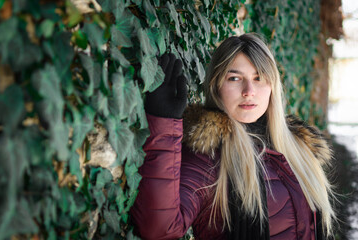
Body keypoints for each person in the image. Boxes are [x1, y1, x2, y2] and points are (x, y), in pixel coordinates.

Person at [130, 33, 336, 240]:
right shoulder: (208, 157)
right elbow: (159, 229)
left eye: (259, 78)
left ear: (272, 86)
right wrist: (163, 123)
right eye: (234, 78)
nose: (249, 91)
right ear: (216, 86)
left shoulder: (298, 147)